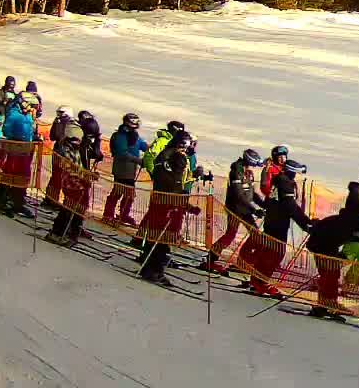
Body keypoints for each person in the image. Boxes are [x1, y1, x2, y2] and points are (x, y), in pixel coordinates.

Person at [303, 193, 359, 320]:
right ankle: (326, 304)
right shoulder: (354, 220)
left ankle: (325, 304)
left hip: (328, 243)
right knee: (330, 274)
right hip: (321, 243)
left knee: (331, 274)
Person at [137, 131, 196, 284]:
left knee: (157, 237)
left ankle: (150, 267)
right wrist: (182, 201)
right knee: (161, 239)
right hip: (165, 203)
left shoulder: (168, 155)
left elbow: (173, 182)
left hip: (163, 201)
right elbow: (172, 184)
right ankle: (154, 270)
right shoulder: (172, 158)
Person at [248, 158, 311, 297]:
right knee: (276, 253)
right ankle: (261, 281)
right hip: (278, 223)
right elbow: (291, 207)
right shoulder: (286, 184)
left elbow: (276, 201)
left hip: (273, 221)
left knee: (269, 252)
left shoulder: (279, 180)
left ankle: (256, 279)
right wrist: (305, 223)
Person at [202, 148, 267, 273]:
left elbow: (251, 194)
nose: (254, 167)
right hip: (235, 209)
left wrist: (263, 204)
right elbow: (239, 195)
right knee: (230, 235)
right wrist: (254, 210)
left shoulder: (248, 173)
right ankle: (210, 260)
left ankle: (243, 262)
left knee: (256, 236)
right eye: (254, 164)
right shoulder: (236, 171)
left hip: (246, 210)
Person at [0, 98, 39, 218]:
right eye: (31, 106)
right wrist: (18, 137)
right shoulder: (14, 114)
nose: (33, 109)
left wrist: (33, 138)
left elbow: (28, 131)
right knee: (11, 172)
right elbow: (6, 130)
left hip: (24, 149)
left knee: (22, 174)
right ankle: (4, 201)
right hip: (15, 148)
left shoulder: (27, 116)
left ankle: (17, 201)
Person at [103, 113, 145, 226]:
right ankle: (108, 214)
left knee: (129, 195)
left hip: (130, 171)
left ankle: (123, 215)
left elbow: (143, 146)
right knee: (117, 192)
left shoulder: (134, 135)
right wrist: (139, 160)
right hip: (122, 170)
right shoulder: (120, 136)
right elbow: (122, 154)